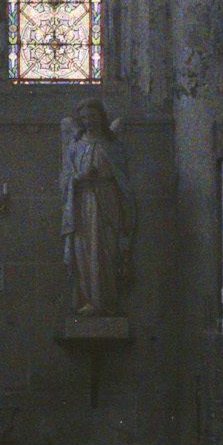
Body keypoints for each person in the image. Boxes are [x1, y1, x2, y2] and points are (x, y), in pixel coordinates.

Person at [60, 99, 135, 316]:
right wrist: (79, 178)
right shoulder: (76, 146)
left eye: (92, 116)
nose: (88, 121)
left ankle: (107, 300)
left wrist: (105, 177)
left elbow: (122, 177)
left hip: (108, 200)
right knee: (84, 249)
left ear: (101, 116)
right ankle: (88, 298)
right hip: (83, 202)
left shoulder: (112, 144)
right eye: (84, 118)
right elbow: (65, 178)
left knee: (107, 249)